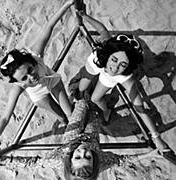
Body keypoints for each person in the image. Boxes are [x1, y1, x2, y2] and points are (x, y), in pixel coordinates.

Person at [69, 10, 176, 157]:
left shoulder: (125, 76)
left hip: (110, 78)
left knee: (95, 98)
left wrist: (157, 138)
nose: (116, 67)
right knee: (82, 88)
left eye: (123, 64)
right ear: (109, 55)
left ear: (127, 67)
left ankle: (106, 111)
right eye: (114, 60)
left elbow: (140, 108)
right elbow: (102, 30)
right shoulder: (99, 56)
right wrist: (85, 16)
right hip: (96, 67)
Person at [0, 0, 74, 155]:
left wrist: (66, 5)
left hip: (50, 79)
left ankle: (73, 130)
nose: (30, 78)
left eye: (30, 71)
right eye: (24, 78)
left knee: (69, 112)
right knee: (61, 116)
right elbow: (5, 118)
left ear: (32, 62)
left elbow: (49, 27)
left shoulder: (36, 56)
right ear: (18, 82)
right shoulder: (18, 88)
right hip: (39, 95)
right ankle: (65, 124)